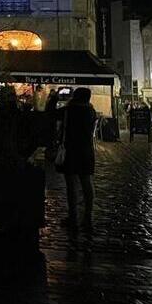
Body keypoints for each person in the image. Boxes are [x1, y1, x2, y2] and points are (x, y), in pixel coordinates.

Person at [57, 87, 97, 232]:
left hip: (71, 149)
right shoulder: (91, 111)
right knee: (87, 183)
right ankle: (88, 217)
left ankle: (73, 217)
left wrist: (57, 97)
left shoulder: (69, 110)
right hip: (87, 150)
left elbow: (51, 114)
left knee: (71, 185)